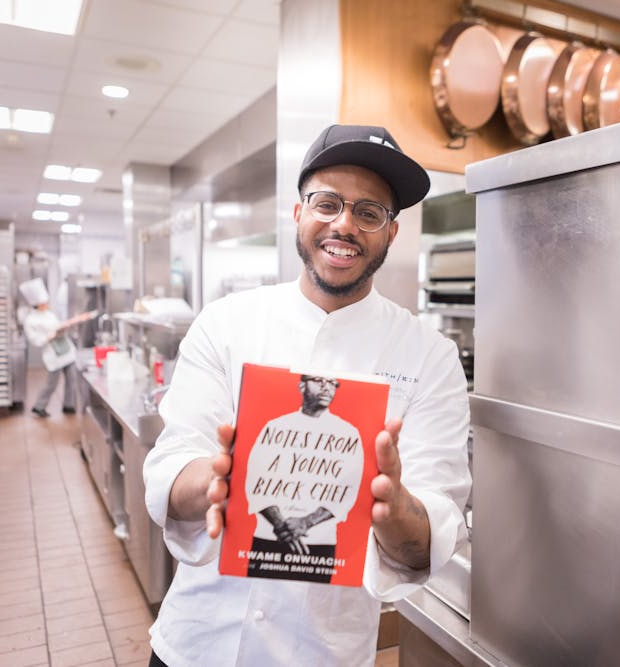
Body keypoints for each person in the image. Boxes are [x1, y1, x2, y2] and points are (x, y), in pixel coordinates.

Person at [143, 124, 471, 666]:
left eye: (370, 212)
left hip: (323, 653)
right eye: (327, 203)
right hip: (196, 643)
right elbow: (171, 467)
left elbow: (432, 524)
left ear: (391, 233)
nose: (344, 224)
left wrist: (393, 509)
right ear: (298, 213)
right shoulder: (225, 323)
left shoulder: (429, 356)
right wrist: (216, 478)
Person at [245, 374, 362, 583]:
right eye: (318, 380)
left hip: (318, 544)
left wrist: (306, 522)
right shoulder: (276, 426)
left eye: (332, 383)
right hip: (270, 537)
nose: (326, 387)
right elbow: (256, 481)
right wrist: (280, 524)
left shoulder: (348, 433)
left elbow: (348, 491)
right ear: (302, 386)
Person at [18, 278, 79, 418]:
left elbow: (58, 326)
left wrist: (64, 327)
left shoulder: (49, 314)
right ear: (37, 304)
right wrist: (49, 336)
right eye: (44, 302)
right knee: (52, 384)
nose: (47, 304)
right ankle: (39, 406)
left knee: (72, 380)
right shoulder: (30, 320)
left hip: (67, 351)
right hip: (53, 356)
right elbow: (36, 340)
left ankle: (69, 405)